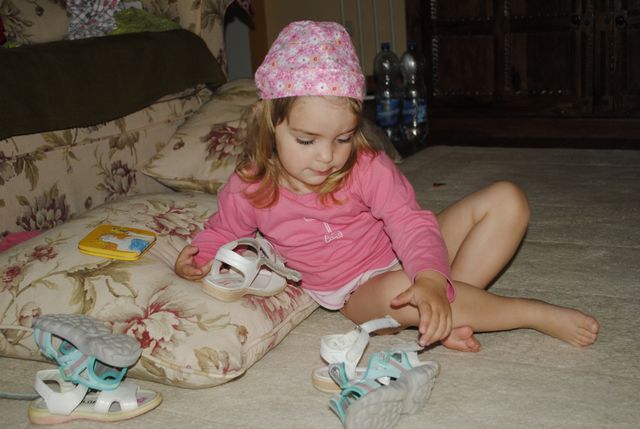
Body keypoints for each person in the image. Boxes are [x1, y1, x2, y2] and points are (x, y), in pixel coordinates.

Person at [175, 20, 599, 351]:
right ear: (268, 123)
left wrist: (429, 276)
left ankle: (446, 312)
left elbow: (409, 223)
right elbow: (224, 231)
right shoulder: (249, 186)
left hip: (400, 254)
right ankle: (527, 312)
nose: (327, 157)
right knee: (404, 292)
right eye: (306, 141)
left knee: (507, 198)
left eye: (343, 138)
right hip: (357, 292)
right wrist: (200, 257)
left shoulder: (367, 166)